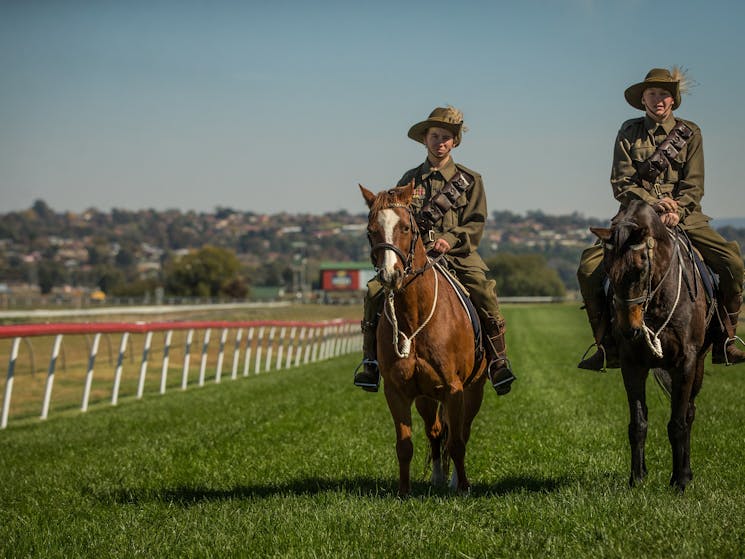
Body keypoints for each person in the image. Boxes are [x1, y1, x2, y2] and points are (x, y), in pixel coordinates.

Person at [577, 67, 745, 370]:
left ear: (673, 100)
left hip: (685, 217)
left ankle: (726, 339)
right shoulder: (628, 132)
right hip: (636, 217)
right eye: (653, 93)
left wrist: (676, 208)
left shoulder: (690, 133)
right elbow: (621, 184)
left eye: (664, 94)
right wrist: (655, 204)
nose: (659, 99)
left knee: (732, 262)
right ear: (643, 99)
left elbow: (694, 183)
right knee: (589, 269)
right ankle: (606, 345)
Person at [354, 106, 517, 395]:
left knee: (483, 289)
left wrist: (451, 240)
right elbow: (398, 220)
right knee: (374, 291)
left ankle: (498, 362)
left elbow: (475, 223)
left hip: (457, 255)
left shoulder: (471, 180)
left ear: (454, 142)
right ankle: (371, 362)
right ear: (425, 139)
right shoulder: (409, 179)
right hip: (415, 257)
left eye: (446, 137)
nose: (439, 141)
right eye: (434, 136)